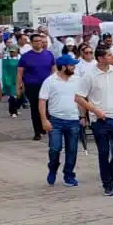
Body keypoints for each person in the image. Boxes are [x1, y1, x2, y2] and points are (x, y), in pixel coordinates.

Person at [77, 46, 113, 194]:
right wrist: (94, 111)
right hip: (100, 119)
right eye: (108, 55)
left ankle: (109, 172)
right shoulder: (89, 75)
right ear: (100, 58)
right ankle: (108, 184)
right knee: (103, 152)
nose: (112, 57)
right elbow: (79, 97)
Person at [39, 54, 84, 187]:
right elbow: (42, 101)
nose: (74, 67)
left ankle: (69, 174)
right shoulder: (50, 81)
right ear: (63, 67)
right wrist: (44, 120)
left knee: (72, 150)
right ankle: (53, 168)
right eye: (71, 65)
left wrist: (83, 116)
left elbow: (81, 99)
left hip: (73, 120)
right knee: (55, 148)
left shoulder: (77, 80)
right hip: (55, 121)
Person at [18, 33, 55, 142]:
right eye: (36, 41)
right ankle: (37, 131)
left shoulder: (49, 54)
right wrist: (19, 87)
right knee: (35, 109)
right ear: (31, 42)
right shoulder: (26, 56)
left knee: (48, 108)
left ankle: (46, 127)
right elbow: (20, 73)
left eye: (40, 41)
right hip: (32, 86)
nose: (39, 43)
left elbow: (54, 69)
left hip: (47, 86)